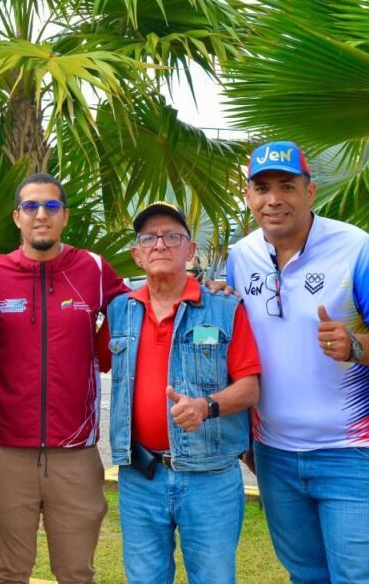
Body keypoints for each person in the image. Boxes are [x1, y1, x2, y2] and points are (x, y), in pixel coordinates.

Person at [226, 141, 369, 583]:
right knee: (306, 577)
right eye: (262, 187)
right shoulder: (240, 257)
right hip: (276, 456)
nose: (274, 199)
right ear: (249, 197)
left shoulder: (355, 248)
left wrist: (354, 346)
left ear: (310, 192)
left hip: (359, 453)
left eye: (287, 186)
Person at [0, 173, 127, 583]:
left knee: (77, 573)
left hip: (75, 453)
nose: (41, 215)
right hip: (6, 451)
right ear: (17, 217)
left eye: (51, 207)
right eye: (31, 207)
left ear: (65, 217)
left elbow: (138, 313)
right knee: (9, 573)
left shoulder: (93, 269)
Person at [105, 201, 261, 583]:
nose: (160, 244)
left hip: (209, 477)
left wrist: (207, 406)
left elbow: (249, 387)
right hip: (140, 476)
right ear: (137, 254)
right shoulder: (118, 311)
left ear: (190, 251)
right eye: (149, 238)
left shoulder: (225, 308)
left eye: (172, 236)